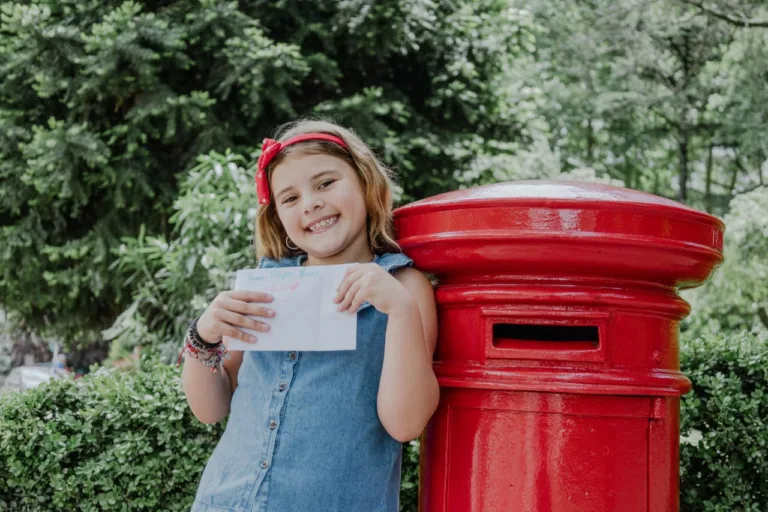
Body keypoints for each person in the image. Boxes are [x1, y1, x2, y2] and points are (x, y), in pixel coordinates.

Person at [179, 119, 439, 512]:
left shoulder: (404, 287)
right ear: (278, 218)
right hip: (224, 501)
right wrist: (203, 336)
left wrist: (401, 310)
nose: (310, 203)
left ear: (367, 184)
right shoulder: (266, 285)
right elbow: (210, 408)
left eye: (325, 183)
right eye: (289, 198)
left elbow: (405, 425)